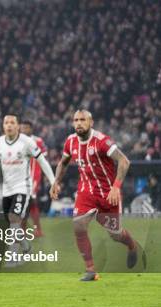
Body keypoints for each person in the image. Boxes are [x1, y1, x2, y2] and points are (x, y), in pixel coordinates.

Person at [50, 110, 140, 281]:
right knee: (79, 226)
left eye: (82, 120)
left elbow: (124, 161)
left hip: (108, 195)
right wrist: (56, 182)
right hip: (86, 193)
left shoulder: (101, 141)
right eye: (76, 120)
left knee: (115, 235)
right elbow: (63, 162)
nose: (78, 123)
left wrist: (116, 187)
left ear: (91, 122)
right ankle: (91, 270)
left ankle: (132, 245)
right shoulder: (70, 141)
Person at [0, 115, 55, 264]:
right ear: (3, 126)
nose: (9, 125)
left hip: (23, 187)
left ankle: (13, 257)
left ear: (17, 126)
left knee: (14, 219)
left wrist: (53, 181)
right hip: (7, 189)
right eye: (6, 123)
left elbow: (42, 161)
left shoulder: (27, 142)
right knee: (11, 224)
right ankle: (27, 248)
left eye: (12, 123)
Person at [20, 120, 47, 237]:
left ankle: (33, 230)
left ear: (31, 129)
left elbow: (44, 155)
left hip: (34, 176)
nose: (24, 130)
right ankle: (32, 230)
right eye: (22, 128)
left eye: (26, 128)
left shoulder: (38, 141)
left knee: (29, 202)